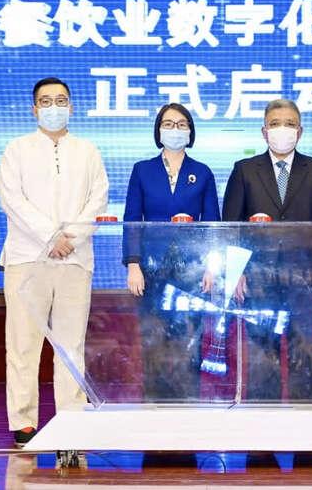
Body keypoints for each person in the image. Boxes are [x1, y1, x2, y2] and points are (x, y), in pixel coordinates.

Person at [0, 77, 109, 447]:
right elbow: (12, 200)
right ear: (34, 109)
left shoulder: (88, 151)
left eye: (61, 100)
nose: (54, 107)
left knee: (70, 345)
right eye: (46, 101)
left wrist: (69, 238)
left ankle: (71, 418)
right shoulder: (17, 149)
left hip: (75, 260)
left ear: (72, 107)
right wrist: (50, 237)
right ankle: (24, 421)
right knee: (23, 343)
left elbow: (98, 200)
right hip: (27, 259)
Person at [222, 98, 312, 402]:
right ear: (264, 131)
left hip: (305, 276)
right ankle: (264, 420)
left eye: (289, 124)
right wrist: (235, 272)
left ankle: (308, 418)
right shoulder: (245, 170)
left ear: (300, 131)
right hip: (258, 278)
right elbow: (231, 225)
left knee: (306, 350)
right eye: (275, 124)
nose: (282, 129)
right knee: (263, 353)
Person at [123, 103, 220, 401]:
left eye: (181, 124)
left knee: (189, 339)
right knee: (154, 338)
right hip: (151, 269)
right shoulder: (142, 170)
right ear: (158, 130)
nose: (174, 129)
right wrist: (133, 264)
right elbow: (132, 219)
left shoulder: (202, 172)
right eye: (168, 123)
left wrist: (211, 267)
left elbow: (213, 224)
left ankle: (187, 403)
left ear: (190, 131)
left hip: (192, 270)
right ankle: (154, 405)